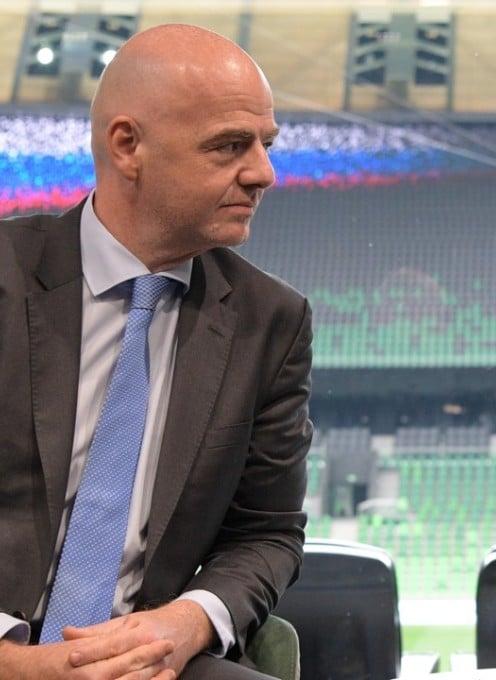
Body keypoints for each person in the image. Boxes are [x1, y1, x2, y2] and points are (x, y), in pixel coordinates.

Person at [0, 23, 313, 679]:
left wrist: (189, 618)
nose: (264, 172)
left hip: (143, 663)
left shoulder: (271, 321)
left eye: (266, 144)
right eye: (230, 146)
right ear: (128, 146)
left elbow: (267, 533)